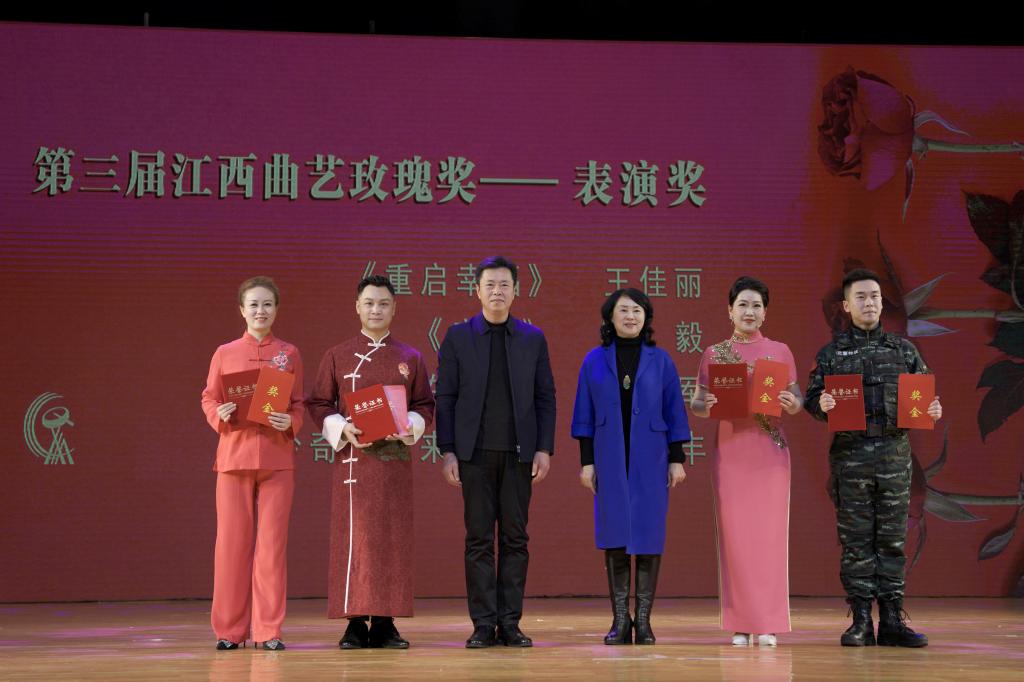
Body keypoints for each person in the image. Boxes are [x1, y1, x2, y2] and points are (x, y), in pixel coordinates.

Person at [804, 268, 941, 648]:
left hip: (894, 457)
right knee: (856, 541)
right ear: (846, 306)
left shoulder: (904, 351)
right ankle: (861, 619)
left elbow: (925, 398)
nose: (869, 303)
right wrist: (821, 405)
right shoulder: (831, 354)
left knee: (893, 540)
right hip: (851, 460)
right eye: (861, 297)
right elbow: (811, 399)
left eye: (875, 296)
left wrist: (932, 409)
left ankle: (893, 619)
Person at [306, 274, 435, 649]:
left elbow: (425, 405)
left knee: (391, 539)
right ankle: (353, 623)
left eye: (383, 303)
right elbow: (319, 402)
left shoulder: (410, 357)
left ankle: (385, 622)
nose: (376, 309)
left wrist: (409, 425)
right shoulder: (337, 354)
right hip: (354, 462)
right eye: (369, 303)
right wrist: (341, 427)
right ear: (357, 307)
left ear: (394, 308)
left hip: (393, 463)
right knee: (354, 539)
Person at [436, 256, 556, 648]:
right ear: (477, 290)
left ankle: (511, 623)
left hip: (520, 455)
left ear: (516, 291)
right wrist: (448, 451)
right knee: (479, 540)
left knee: (516, 539)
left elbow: (545, 397)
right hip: (473, 455)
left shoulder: (532, 338)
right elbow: (446, 398)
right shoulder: (458, 337)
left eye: (505, 284)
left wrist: (544, 448)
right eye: (490, 285)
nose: (497, 291)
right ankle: (483, 624)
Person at [571, 288, 690, 646]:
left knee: (649, 535)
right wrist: (587, 463)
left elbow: (675, 411)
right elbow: (584, 415)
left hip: (651, 459)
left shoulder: (661, 360)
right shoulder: (594, 360)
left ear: (646, 317)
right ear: (610, 317)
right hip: (609, 458)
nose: (630, 317)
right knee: (615, 536)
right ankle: (621, 621)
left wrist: (677, 459)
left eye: (637, 311)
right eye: (623, 310)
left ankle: (645, 621)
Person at [690, 276, 801, 647]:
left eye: (756, 305)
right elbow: (698, 402)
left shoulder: (780, 351)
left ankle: (767, 622)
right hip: (732, 452)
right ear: (730, 310)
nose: (749, 312)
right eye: (742, 305)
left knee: (769, 539)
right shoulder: (715, 353)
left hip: (770, 453)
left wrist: (793, 403)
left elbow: (797, 399)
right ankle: (740, 622)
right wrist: (704, 405)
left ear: (765, 312)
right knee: (736, 539)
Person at [200, 276, 304, 651]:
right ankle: (229, 631)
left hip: (276, 458)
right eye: (254, 305)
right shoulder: (224, 352)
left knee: (271, 547)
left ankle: (268, 630)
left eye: (267, 304)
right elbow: (209, 398)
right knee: (231, 545)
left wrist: (289, 421)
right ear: (242, 310)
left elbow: (298, 404)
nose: (261, 311)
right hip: (234, 457)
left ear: (277, 309)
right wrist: (221, 413)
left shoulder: (289, 353)